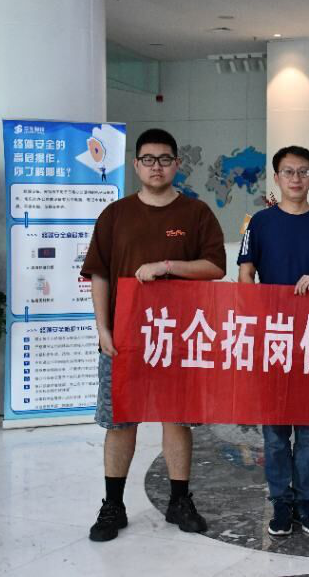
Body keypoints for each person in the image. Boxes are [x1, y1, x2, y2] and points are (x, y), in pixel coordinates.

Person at [81, 128, 227, 542]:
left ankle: (179, 500)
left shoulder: (196, 213)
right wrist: (103, 329)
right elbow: (99, 274)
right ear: (136, 165)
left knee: (177, 419)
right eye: (148, 159)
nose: (156, 167)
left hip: (179, 337)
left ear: (176, 164)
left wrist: (167, 266)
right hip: (124, 339)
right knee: (120, 421)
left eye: (164, 159)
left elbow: (215, 267)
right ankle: (113, 505)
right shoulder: (116, 215)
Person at [237, 145, 309, 536]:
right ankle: (280, 503)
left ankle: (305, 502)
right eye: (288, 172)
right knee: (274, 432)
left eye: (303, 171)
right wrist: (255, 315)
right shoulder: (260, 223)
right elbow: (245, 273)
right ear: (277, 178)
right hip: (272, 339)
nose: (296, 178)